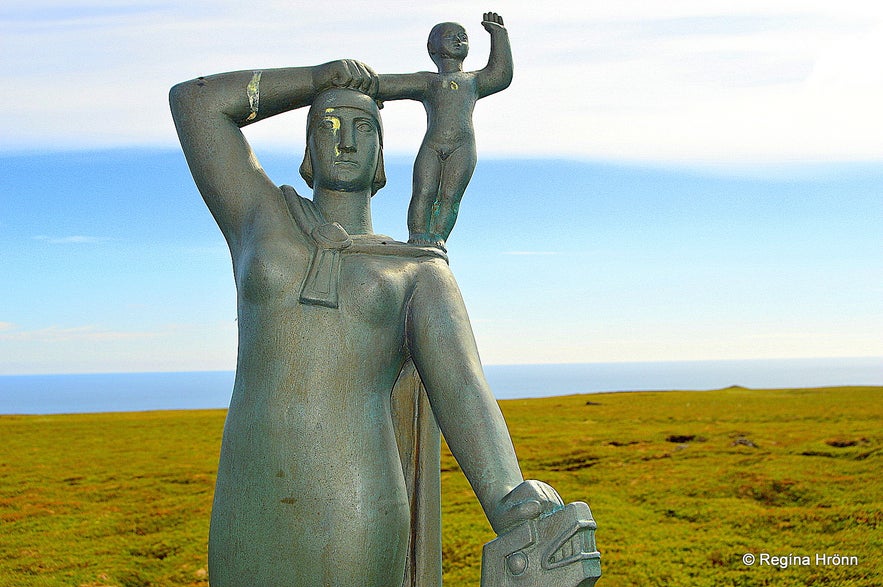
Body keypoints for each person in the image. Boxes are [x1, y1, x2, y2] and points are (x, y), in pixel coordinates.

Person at [169, 60, 560, 587]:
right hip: (249, 497)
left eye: (364, 127)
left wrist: (507, 495)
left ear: (381, 154)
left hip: (355, 504)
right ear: (308, 149)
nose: (346, 141)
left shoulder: (416, 269)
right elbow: (196, 103)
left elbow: (463, 388)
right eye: (328, 125)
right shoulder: (260, 218)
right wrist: (319, 79)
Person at [377, 12, 513, 249]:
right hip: (432, 145)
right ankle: (418, 234)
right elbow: (388, 84)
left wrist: (498, 35)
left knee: (450, 196)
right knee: (423, 191)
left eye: (463, 36)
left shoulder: (473, 81)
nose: (459, 39)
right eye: (450, 36)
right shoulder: (427, 81)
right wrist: (372, 90)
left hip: (463, 147)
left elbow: (501, 74)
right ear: (432, 47)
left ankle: (438, 236)